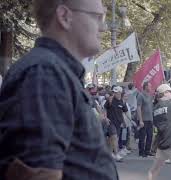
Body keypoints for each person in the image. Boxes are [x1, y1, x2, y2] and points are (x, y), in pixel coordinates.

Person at [0, 0, 118, 179]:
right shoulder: (44, 73)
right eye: (97, 17)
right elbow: (38, 174)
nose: (103, 27)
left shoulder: (54, 72)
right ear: (64, 16)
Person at [105, 86, 128, 162]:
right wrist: (106, 118)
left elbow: (124, 112)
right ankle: (117, 154)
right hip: (110, 122)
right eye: (114, 92)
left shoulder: (122, 102)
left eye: (117, 92)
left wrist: (125, 122)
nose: (115, 94)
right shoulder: (110, 100)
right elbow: (104, 108)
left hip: (119, 123)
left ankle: (110, 154)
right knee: (114, 137)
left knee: (113, 139)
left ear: (120, 93)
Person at [137, 82, 154, 157]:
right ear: (146, 87)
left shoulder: (150, 96)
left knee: (150, 136)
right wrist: (140, 120)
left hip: (150, 119)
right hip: (143, 119)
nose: (151, 87)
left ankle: (147, 151)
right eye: (150, 86)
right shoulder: (140, 95)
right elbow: (138, 108)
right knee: (142, 136)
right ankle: (141, 152)